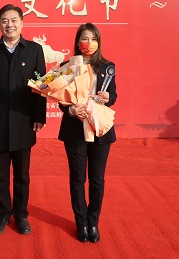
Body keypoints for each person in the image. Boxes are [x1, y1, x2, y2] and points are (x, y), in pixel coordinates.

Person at [0, 4, 47, 235]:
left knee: (22, 175)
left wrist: (39, 116)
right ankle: (3, 214)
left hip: (24, 121)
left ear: (22, 23)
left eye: (14, 20)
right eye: (5, 21)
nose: (9, 25)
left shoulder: (34, 50)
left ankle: (21, 214)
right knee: (0, 175)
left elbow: (42, 86)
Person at [57, 23, 117, 244]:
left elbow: (113, 95)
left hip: (100, 128)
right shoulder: (67, 67)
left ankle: (93, 221)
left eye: (93, 39)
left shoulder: (107, 67)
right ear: (77, 42)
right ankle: (80, 222)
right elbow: (60, 98)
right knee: (77, 178)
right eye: (85, 38)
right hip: (75, 130)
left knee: (97, 179)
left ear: (98, 42)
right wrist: (71, 110)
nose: (89, 43)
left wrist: (107, 98)